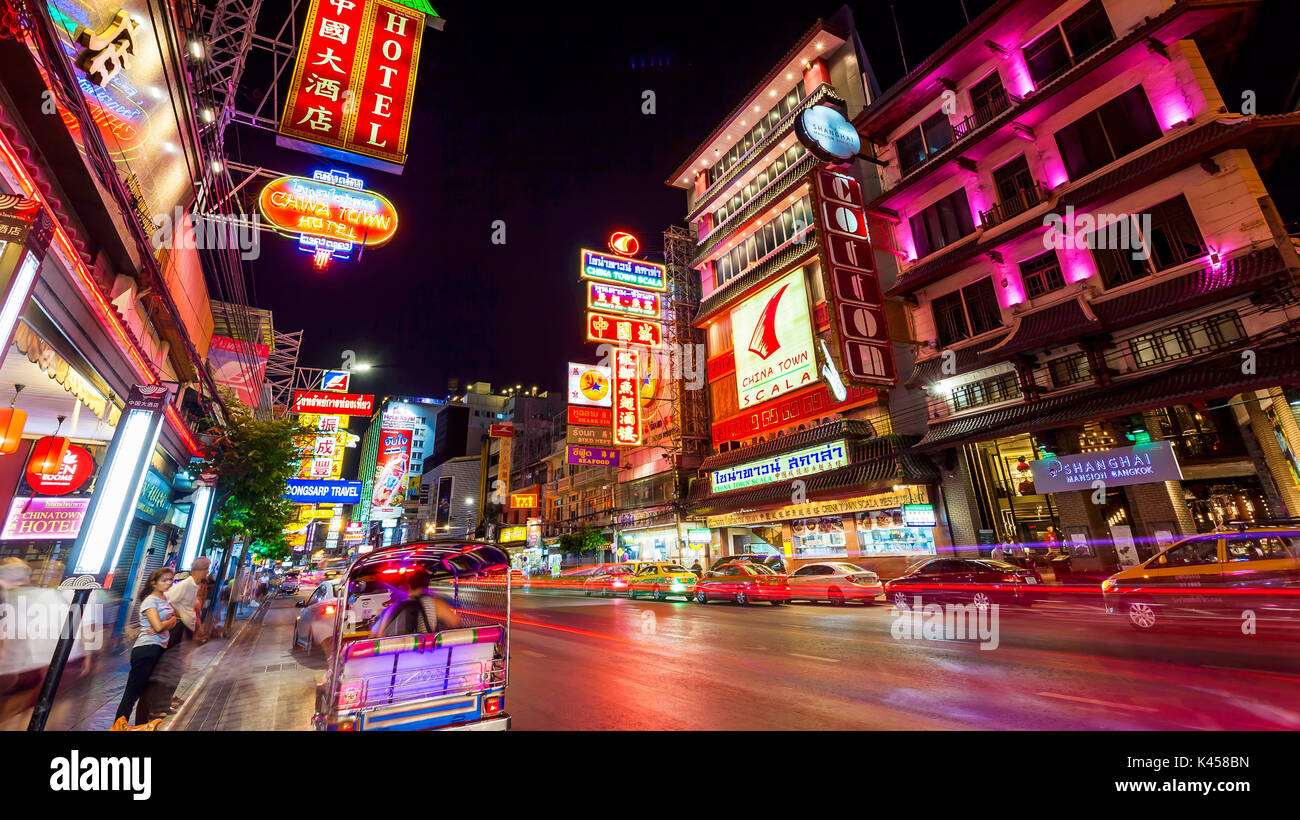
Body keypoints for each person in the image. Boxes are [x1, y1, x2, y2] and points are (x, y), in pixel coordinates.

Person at [141, 558, 209, 719]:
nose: (208, 572)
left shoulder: (194, 585)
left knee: (176, 670)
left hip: (185, 630)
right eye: (206, 568)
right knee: (169, 668)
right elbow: (167, 599)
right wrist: (178, 616)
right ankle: (156, 707)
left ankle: (164, 704)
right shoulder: (186, 585)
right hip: (178, 630)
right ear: (202, 569)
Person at [111, 568, 176, 731]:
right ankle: (118, 726)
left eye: (170, 580)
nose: (168, 583)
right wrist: (170, 621)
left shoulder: (164, 598)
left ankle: (142, 725)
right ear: (154, 583)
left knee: (148, 691)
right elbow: (159, 626)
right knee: (133, 691)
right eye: (164, 580)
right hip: (146, 649)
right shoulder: (150, 601)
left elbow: (163, 625)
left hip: (158, 647)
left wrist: (165, 624)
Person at [374, 568, 460, 637]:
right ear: (427, 584)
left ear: (408, 586)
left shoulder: (392, 608)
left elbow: (374, 635)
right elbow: (455, 622)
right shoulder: (436, 603)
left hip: (396, 654)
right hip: (426, 651)